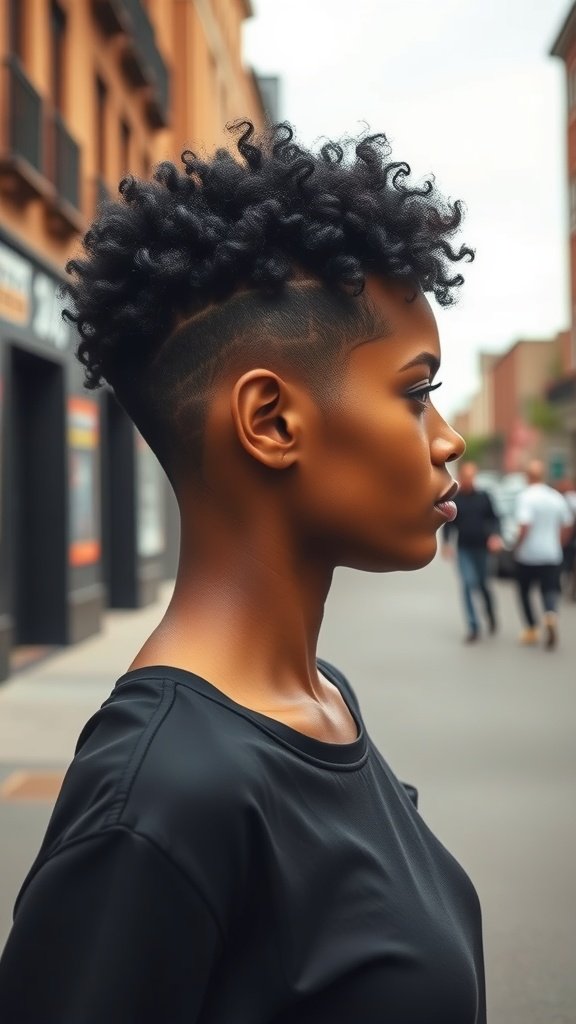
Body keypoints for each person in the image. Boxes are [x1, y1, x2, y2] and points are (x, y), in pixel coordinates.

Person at [0, 122, 486, 1024]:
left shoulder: (322, 699)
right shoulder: (160, 798)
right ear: (270, 420)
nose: (448, 437)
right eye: (416, 392)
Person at [513, 460, 574, 649]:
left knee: (524, 591)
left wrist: (516, 545)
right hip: (551, 553)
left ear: (527, 476)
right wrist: (559, 543)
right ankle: (550, 614)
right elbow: (568, 523)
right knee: (550, 589)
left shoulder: (526, 497)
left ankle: (531, 627)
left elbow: (524, 526)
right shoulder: (555, 496)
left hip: (528, 554)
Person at [441, 461, 501, 642]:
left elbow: (495, 519)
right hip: (464, 549)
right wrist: (446, 543)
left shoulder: (484, 497)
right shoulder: (456, 500)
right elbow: (448, 523)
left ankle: (490, 613)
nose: (467, 480)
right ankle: (473, 626)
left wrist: (495, 536)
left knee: (483, 585)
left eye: (470, 477)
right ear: (460, 478)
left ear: (474, 478)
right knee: (467, 584)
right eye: (464, 477)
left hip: (482, 549)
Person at [555, 478, 576, 600]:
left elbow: (567, 523)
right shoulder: (565, 499)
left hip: (569, 537)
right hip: (569, 537)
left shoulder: (567, 499)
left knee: (566, 563)